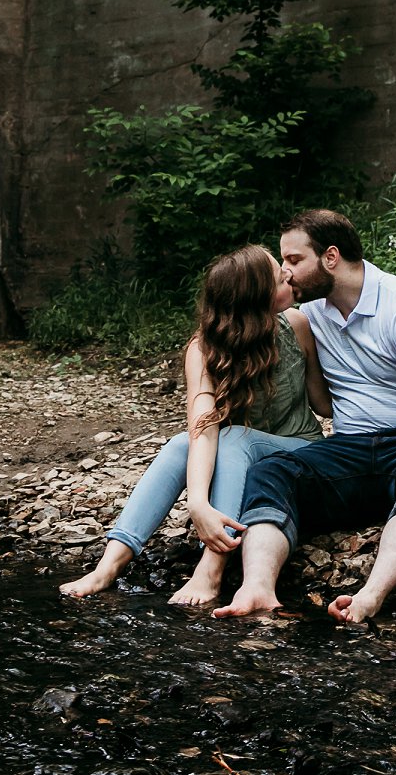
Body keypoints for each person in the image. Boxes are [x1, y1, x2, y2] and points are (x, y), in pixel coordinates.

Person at [214, 209, 396, 625]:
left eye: (294, 260)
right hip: (348, 449)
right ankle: (257, 587)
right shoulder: (309, 314)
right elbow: (240, 317)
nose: (285, 272)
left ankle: (370, 596)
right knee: (270, 471)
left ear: (330, 257)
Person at [60, 244, 331, 604]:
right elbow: (202, 425)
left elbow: (322, 403)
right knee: (179, 444)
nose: (288, 274)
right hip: (243, 457)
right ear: (256, 297)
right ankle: (109, 565)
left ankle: (212, 569)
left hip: (300, 452)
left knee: (235, 437)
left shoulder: (297, 324)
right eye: (279, 276)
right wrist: (198, 503)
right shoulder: (204, 349)